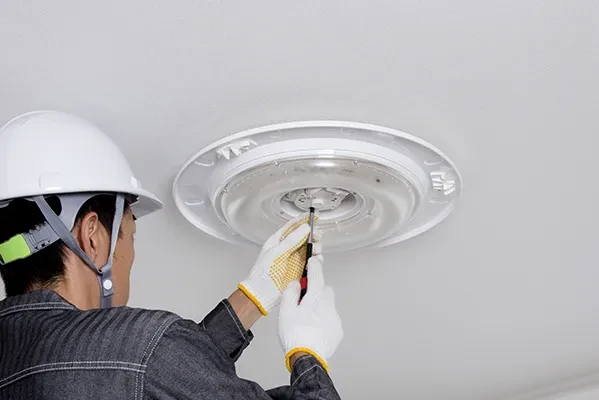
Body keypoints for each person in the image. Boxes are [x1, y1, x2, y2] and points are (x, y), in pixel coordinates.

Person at [0, 111, 344, 399]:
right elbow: (147, 366)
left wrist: (252, 298)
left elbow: (142, 375)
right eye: (130, 237)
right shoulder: (145, 348)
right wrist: (307, 356)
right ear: (93, 236)